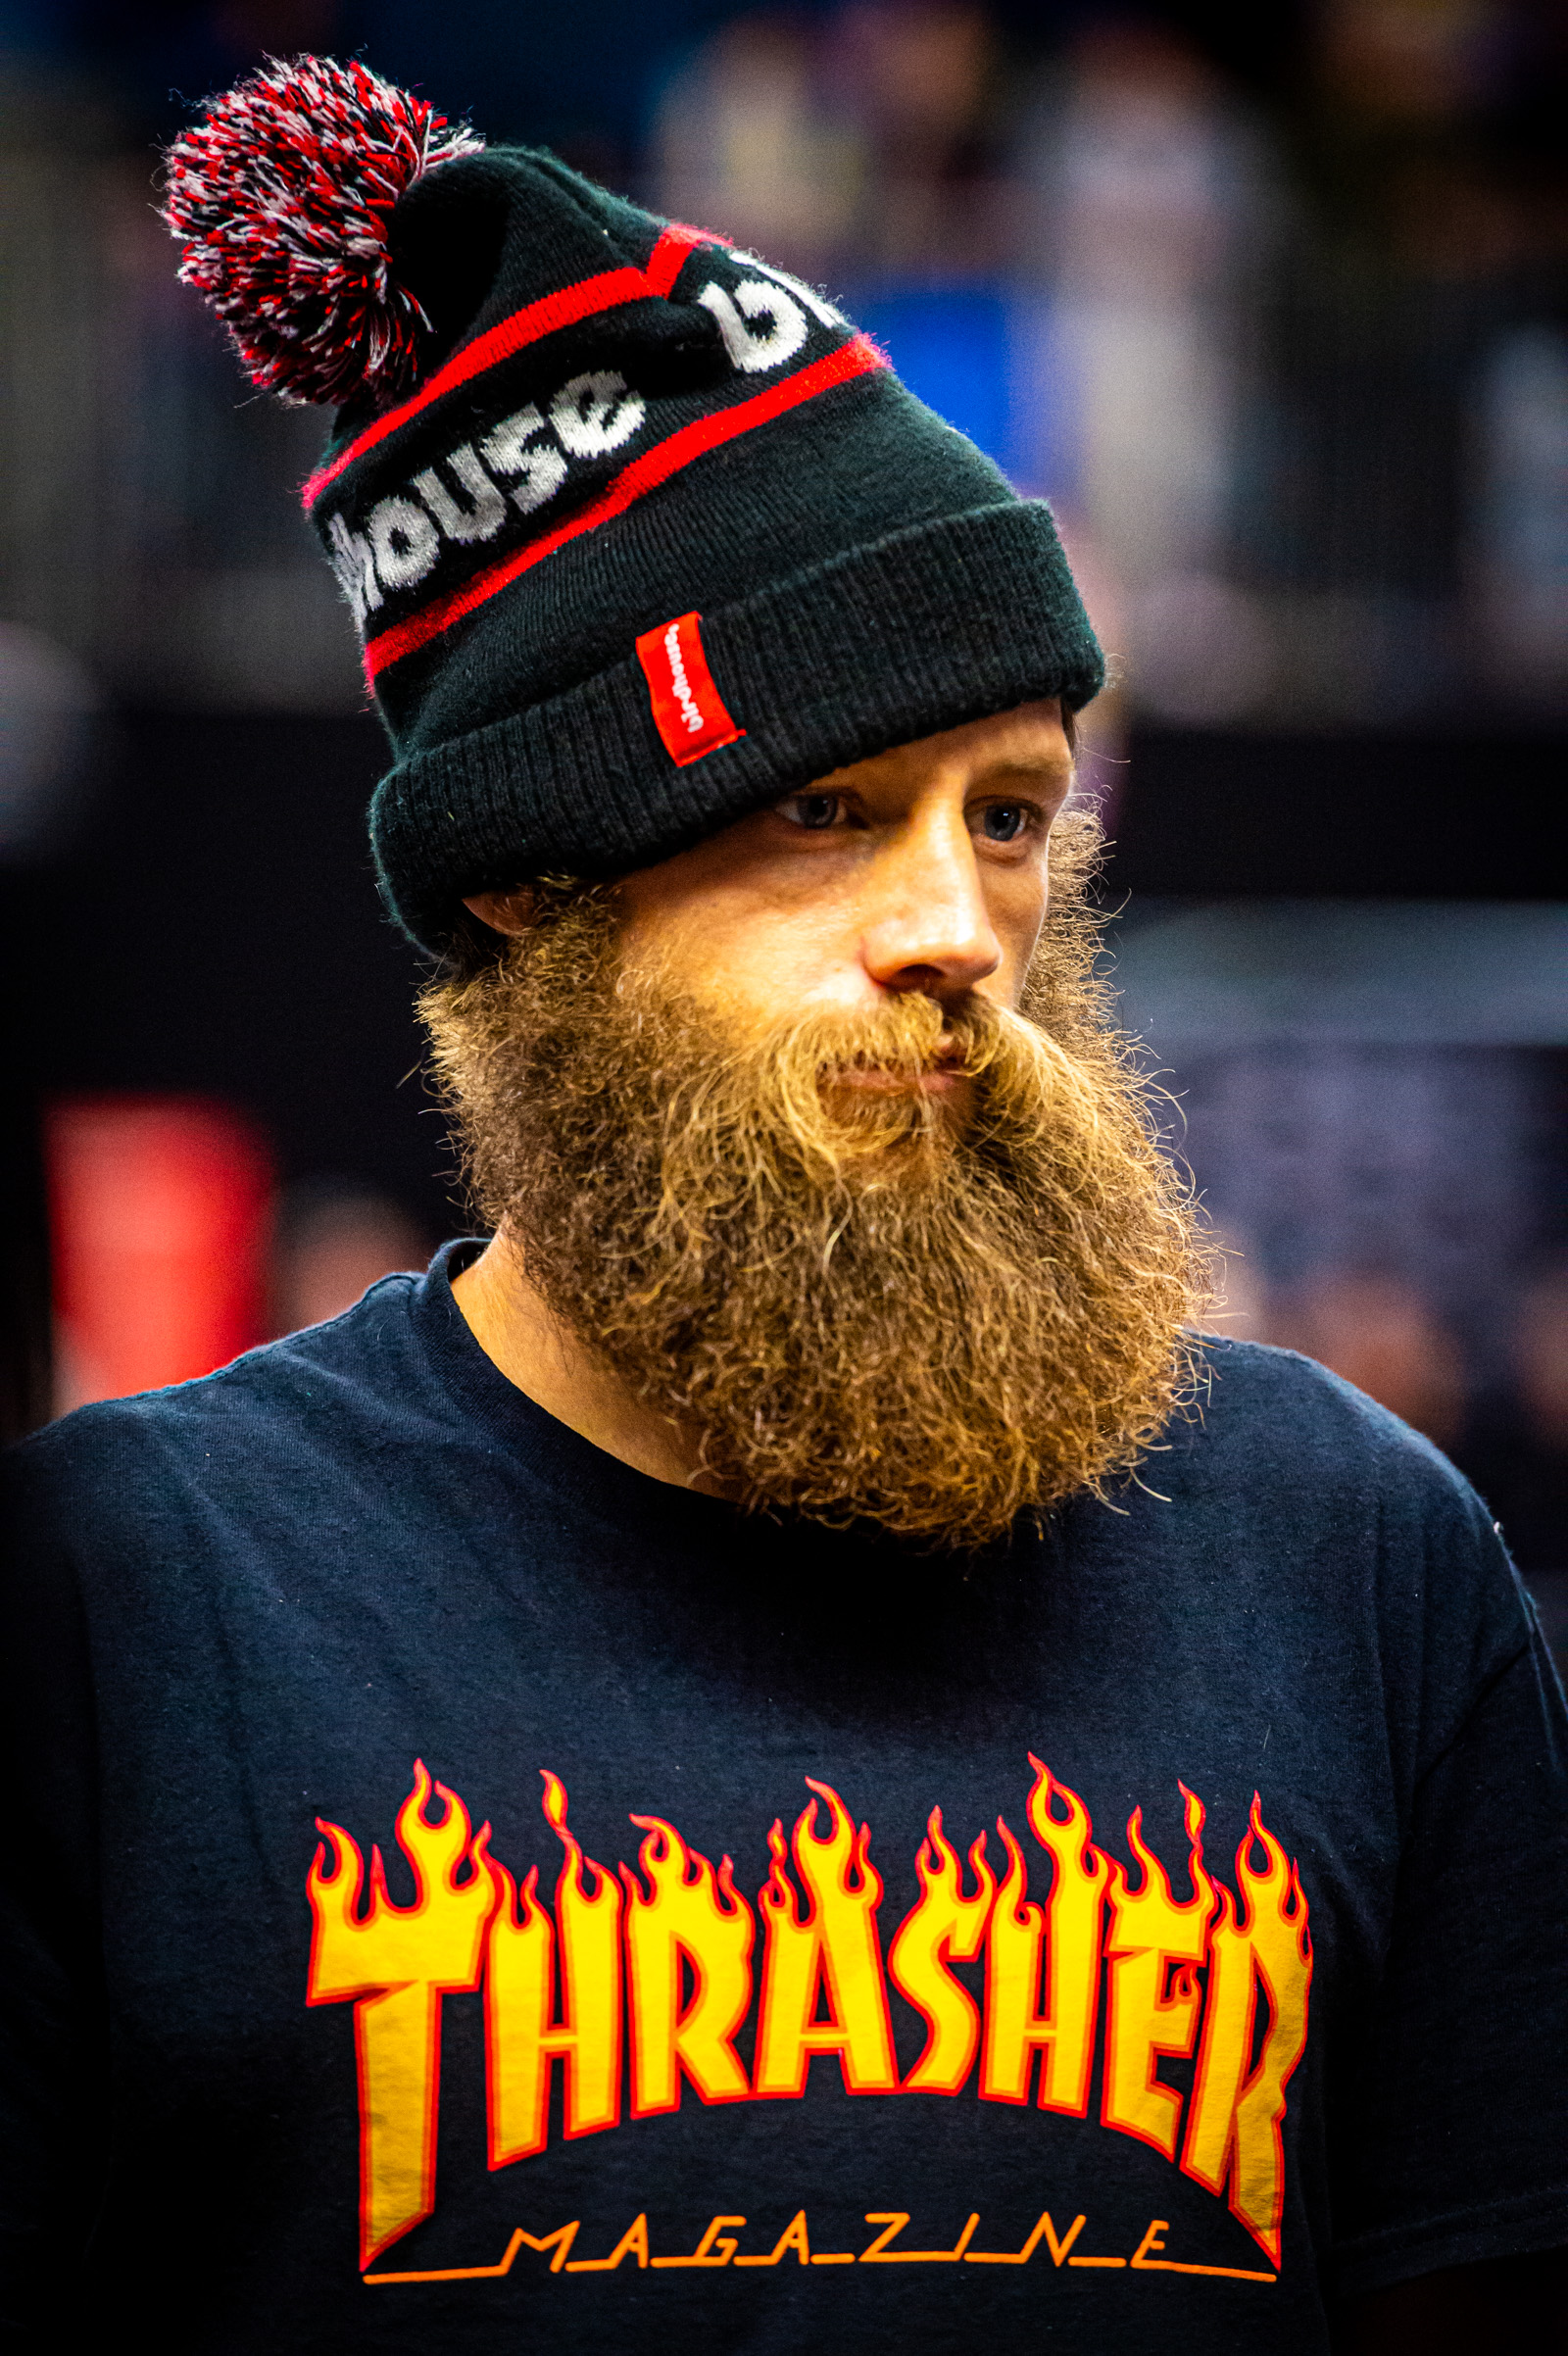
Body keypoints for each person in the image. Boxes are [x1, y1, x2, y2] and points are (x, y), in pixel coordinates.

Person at [2, 54, 1564, 2356]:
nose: (953, 927)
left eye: (1006, 814)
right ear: (529, 888)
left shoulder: (1349, 1560)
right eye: (822, 810)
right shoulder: (129, 1597)